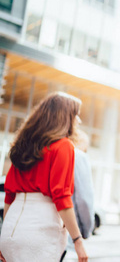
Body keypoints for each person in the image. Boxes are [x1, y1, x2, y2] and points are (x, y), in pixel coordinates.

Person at [0, 92, 88, 262]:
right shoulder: (63, 146)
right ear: (65, 117)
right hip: (40, 231)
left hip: (11, 230)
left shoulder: (23, 146)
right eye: (76, 115)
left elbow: (9, 196)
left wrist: (5, 237)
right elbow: (61, 197)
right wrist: (78, 240)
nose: (79, 121)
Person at [61, 130, 95, 261]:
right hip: (70, 234)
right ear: (79, 142)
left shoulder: (56, 153)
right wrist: (87, 229)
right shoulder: (78, 156)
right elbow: (85, 199)